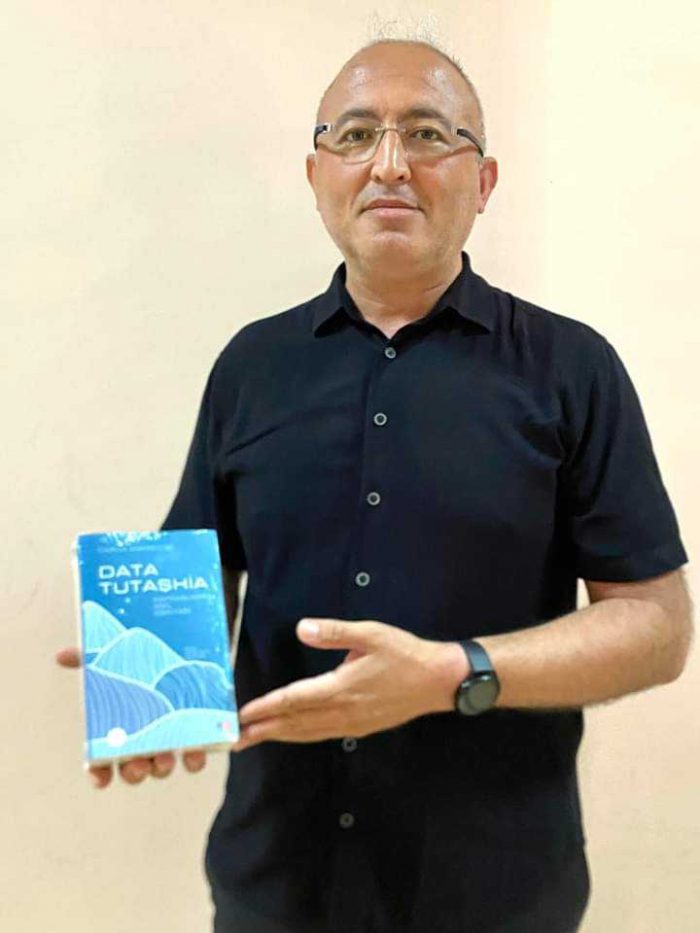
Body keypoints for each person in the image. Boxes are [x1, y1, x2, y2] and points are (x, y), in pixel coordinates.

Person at [57, 38, 693, 933]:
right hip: (276, 883)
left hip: (493, 894)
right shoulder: (250, 366)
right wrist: (145, 676)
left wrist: (455, 673)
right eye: (356, 135)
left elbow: (658, 628)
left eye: (428, 133)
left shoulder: (572, 369)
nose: (390, 163)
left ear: (485, 179)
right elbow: (197, 578)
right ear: (316, 175)